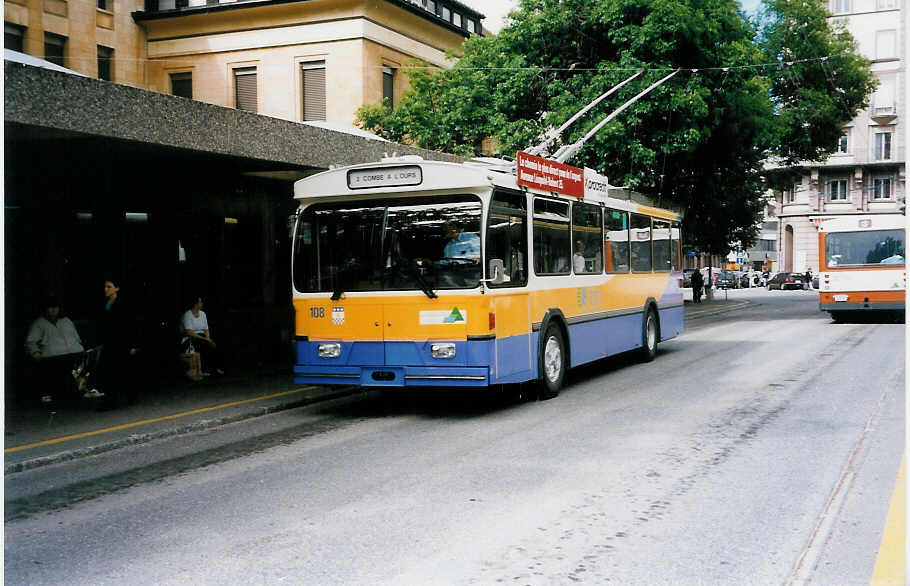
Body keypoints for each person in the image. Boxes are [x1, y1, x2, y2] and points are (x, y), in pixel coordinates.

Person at [24, 295, 86, 404]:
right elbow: (31, 341)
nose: (53, 310)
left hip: (74, 353)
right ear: (45, 308)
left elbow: (77, 337)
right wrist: (35, 352)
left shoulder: (66, 320)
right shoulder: (39, 323)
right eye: (50, 307)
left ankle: (81, 390)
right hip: (54, 356)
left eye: (55, 307)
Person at [96, 278, 139, 408]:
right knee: (109, 371)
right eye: (105, 287)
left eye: (109, 287)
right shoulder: (105, 304)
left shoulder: (124, 304)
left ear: (116, 288)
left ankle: (130, 396)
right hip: (110, 342)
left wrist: (134, 344)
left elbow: (131, 324)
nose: (106, 289)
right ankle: (111, 399)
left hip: (122, 342)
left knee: (124, 370)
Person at [180, 296, 224, 376]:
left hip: (202, 336)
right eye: (200, 302)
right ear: (195, 304)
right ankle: (204, 369)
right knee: (203, 344)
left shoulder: (203, 314)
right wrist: (205, 339)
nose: (202, 303)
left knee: (213, 343)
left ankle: (216, 368)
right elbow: (189, 332)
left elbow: (206, 329)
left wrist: (208, 338)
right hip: (190, 338)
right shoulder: (187, 314)